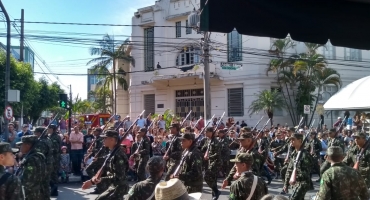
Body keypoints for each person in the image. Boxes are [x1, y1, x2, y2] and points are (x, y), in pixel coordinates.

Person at [82, 130, 129, 200]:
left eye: (105, 138)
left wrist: (98, 180)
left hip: (119, 187)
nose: (103, 140)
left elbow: (119, 177)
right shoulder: (113, 151)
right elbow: (107, 157)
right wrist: (98, 159)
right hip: (114, 185)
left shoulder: (118, 155)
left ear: (112, 140)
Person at [16, 135, 46, 199]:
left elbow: (29, 180)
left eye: (22, 144)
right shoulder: (36, 155)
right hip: (37, 191)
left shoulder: (31, 159)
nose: (20, 147)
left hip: (31, 193)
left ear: (28, 145)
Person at [284, 133, 312, 200]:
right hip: (295, 183)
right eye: (291, 140)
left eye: (293, 140)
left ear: (299, 141)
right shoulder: (294, 154)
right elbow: (289, 169)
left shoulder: (305, 155)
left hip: (303, 183)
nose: (291, 141)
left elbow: (306, 172)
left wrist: (295, 177)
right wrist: (286, 184)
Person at [33, 126, 54, 199]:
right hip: (49, 164)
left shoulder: (41, 142)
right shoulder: (48, 139)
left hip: (44, 165)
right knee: (46, 184)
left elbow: (39, 154)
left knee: (43, 185)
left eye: (35, 133)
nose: (34, 134)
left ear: (39, 133)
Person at [201, 127, 221, 200]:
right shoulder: (208, 140)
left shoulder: (216, 141)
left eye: (206, 132)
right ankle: (215, 195)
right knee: (212, 179)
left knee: (207, 176)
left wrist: (209, 157)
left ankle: (216, 192)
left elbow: (217, 154)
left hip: (216, 162)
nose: (205, 133)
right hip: (209, 162)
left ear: (211, 132)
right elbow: (203, 148)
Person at [48, 124, 62, 196]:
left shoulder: (55, 137)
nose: (48, 130)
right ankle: (54, 191)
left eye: (49, 128)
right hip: (52, 158)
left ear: (52, 129)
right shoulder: (51, 136)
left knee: (53, 174)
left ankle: (54, 190)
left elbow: (55, 149)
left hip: (54, 158)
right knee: (52, 174)